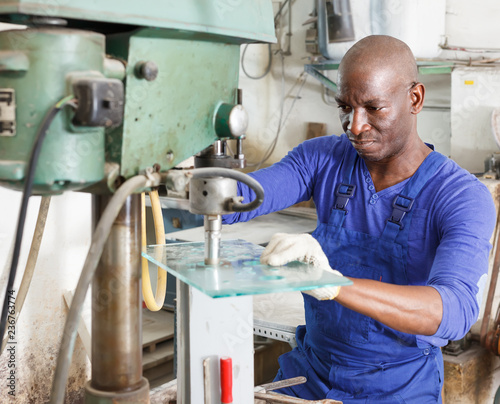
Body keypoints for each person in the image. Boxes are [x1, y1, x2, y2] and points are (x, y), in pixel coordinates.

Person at [223, 35, 496, 402]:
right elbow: (246, 196)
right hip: (309, 376)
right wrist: (206, 189)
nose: (355, 126)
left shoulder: (460, 196)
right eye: (345, 108)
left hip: (397, 389)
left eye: (373, 108)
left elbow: (454, 310)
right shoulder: (323, 159)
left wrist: (337, 285)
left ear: (414, 99)